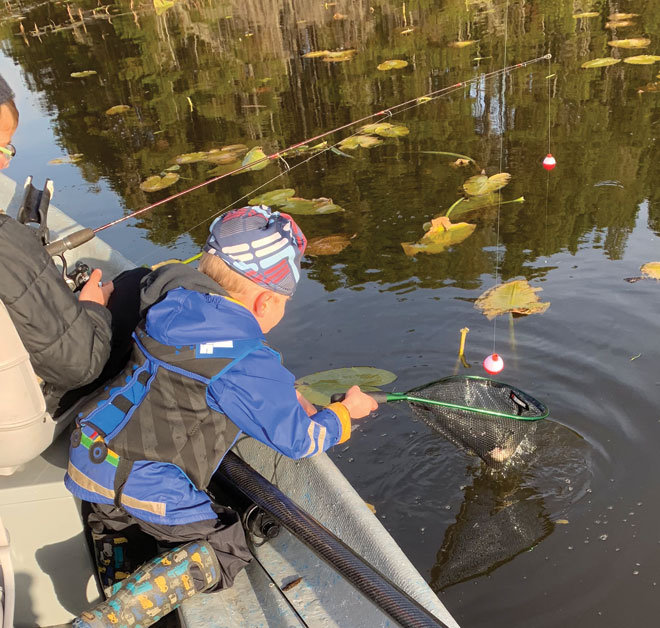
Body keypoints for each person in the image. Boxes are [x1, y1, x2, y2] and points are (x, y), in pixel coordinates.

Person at [66, 205, 378, 627]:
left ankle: (119, 570)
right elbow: (300, 441)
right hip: (144, 478)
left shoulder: (172, 303)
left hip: (89, 450)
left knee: (117, 521)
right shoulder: (248, 357)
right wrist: (344, 413)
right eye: (284, 302)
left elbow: (204, 365)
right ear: (266, 301)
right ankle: (111, 619)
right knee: (227, 548)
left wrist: (279, 389)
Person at [0, 74, 118, 415]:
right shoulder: (8, 244)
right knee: (135, 289)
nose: (6, 162)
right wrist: (94, 309)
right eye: (2, 147)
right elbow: (81, 364)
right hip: (19, 421)